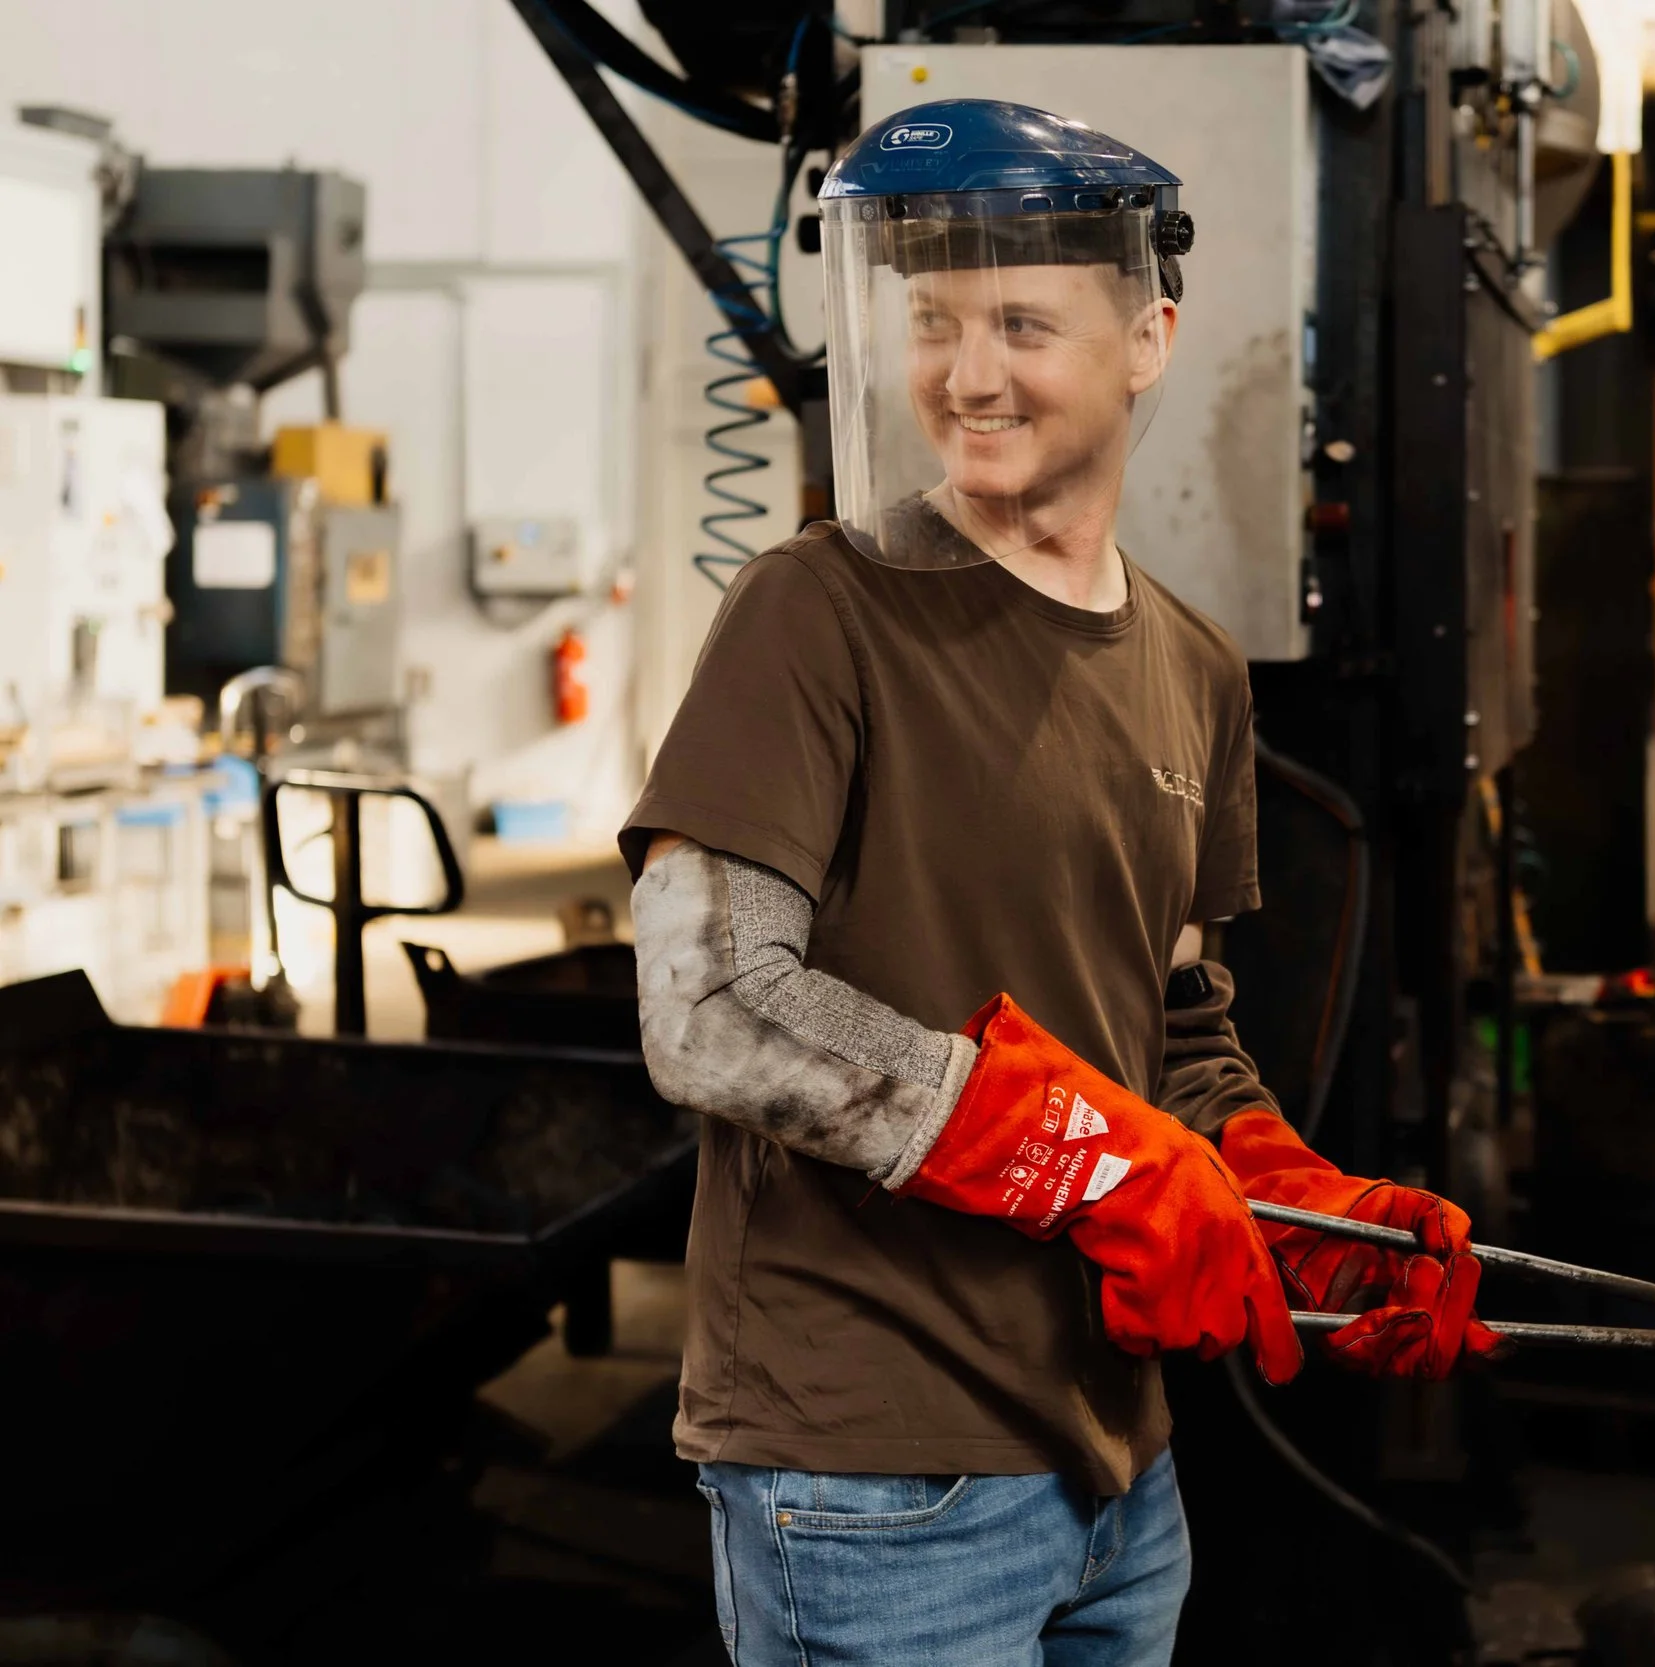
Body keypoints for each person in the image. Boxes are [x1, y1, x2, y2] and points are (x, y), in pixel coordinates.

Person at [623, 99, 1495, 1667]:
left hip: (1114, 1460)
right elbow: (711, 1007)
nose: (966, 375)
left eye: (1022, 322)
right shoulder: (816, 612)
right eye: (934, 321)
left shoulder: (1191, 670)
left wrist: (1284, 1194)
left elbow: (1165, 1014)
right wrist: (1075, 1154)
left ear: (1146, 339)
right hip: (870, 1468)